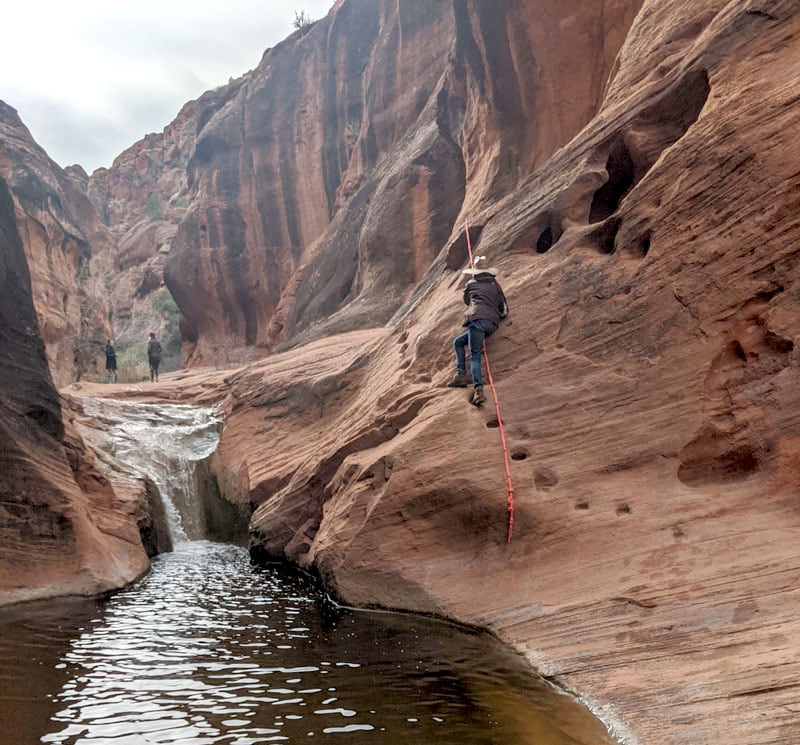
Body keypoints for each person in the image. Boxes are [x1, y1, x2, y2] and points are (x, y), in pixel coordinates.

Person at [446, 264, 508, 406]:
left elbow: (467, 301)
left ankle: (478, 389)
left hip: (477, 321)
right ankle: (460, 375)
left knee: (475, 356)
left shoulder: (471, 283)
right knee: (458, 342)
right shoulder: (495, 285)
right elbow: (504, 309)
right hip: (492, 324)